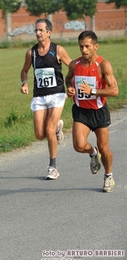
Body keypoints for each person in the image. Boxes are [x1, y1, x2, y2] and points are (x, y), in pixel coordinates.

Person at [65, 30, 118, 193]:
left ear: (96, 46)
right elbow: (68, 78)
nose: (84, 50)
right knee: (79, 146)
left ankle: (108, 176)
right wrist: (70, 88)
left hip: (99, 110)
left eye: (87, 46)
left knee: (105, 148)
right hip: (81, 111)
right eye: (81, 47)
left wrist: (93, 91)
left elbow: (114, 90)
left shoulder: (103, 65)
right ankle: (93, 153)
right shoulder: (75, 65)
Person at [20, 18, 72, 180]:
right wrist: (24, 83)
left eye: (41, 30)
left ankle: (53, 167)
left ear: (49, 32)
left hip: (57, 94)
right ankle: (58, 128)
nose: (38, 33)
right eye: (36, 30)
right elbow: (24, 70)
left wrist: (71, 84)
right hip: (39, 96)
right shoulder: (31, 53)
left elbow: (73, 66)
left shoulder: (58, 50)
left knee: (48, 130)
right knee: (39, 134)